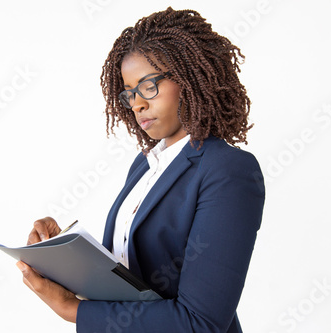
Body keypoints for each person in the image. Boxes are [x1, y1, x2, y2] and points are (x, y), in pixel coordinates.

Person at [15, 7, 265, 332]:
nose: (136, 105)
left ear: (188, 78)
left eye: (148, 86)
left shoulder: (228, 170)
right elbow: (129, 278)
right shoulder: (145, 166)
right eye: (129, 93)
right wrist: (63, 253)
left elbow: (200, 322)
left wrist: (72, 310)